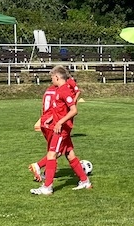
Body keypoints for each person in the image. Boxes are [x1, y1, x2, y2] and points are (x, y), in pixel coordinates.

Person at [29, 65, 91, 194]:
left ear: (57, 77)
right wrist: (52, 118)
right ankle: (85, 181)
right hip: (60, 126)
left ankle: (47, 187)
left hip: (61, 129)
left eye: (52, 78)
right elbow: (61, 110)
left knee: (52, 155)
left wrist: (59, 122)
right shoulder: (59, 90)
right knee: (70, 154)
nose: (51, 80)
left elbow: (74, 110)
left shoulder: (64, 91)